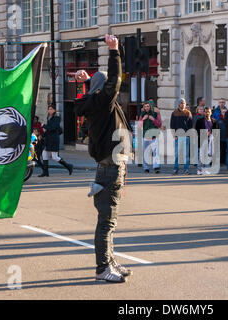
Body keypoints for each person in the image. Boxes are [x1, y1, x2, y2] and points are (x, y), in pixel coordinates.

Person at [74, 34, 133, 283]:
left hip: (111, 166)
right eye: (109, 87)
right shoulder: (103, 102)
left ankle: (109, 261)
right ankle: (102, 268)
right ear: (104, 89)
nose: (114, 91)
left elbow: (94, 95)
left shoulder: (95, 102)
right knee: (107, 223)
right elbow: (114, 82)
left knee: (110, 222)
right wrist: (114, 51)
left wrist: (83, 84)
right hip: (110, 168)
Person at [38, 105, 74, 177]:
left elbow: (52, 128)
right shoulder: (49, 118)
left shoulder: (57, 118)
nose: (49, 110)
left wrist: (43, 125)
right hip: (48, 139)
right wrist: (42, 135)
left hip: (53, 140)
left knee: (55, 157)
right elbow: (49, 130)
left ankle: (69, 166)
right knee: (44, 154)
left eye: (51, 109)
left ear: (54, 110)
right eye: (49, 109)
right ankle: (45, 172)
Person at [170, 98, 193, 175]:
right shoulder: (174, 113)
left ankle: (186, 169)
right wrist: (174, 135)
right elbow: (172, 125)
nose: (183, 104)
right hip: (177, 136)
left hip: (186, 136)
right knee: (177, 154)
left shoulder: (188, 113)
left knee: (186, 154)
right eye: (181, 103)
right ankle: (175, 169)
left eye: (184, 103)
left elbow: (190, 125)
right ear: (179, 104)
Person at [195, 106, 219, 175]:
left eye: (208, 112)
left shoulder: (214, 121)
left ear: (211, 113)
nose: (207, 113)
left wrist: (211, 133)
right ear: (204, 113)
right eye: (206, 112)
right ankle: (199, 170)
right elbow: (196, 130)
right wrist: (205, 133)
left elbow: (217, 130)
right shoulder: (199, 121)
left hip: (211, 140)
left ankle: (206, 169)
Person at [140, 101, 161, 173]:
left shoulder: (155, 114)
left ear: (151, 107)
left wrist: (153, 119)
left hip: (153, 136)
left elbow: (159, 124)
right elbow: (139, 125)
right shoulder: (142, 115)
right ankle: (146, 168)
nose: (146, 108)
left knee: (155, 152)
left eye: (148, 106)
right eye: (145, 106)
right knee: (145, 152)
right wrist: (143, 119)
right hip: (145, 136)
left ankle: (156, 167)